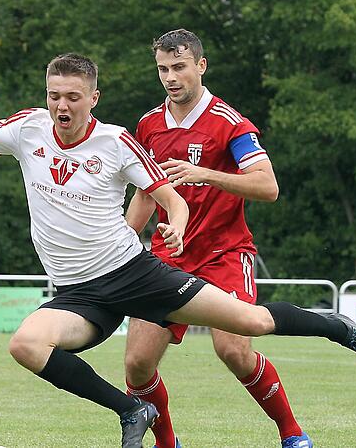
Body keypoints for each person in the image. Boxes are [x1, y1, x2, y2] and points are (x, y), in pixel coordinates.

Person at [0, 53, 356, 448]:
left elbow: (197, 194)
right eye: (54, 96)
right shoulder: (40, 127)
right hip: (82, 289)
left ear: (94, 99)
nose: (61, 106)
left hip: (170, 264)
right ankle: (138, 417)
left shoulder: (158, 134)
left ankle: (332, 335)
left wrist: (182, 216)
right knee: (53, 349)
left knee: (247, 333)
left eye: (72, 96)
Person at [124, 29, 308, 448]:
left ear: (201, 66)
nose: (171, 77)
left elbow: (268, 186)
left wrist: (207, 174)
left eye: (180, 67)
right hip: (169, 258)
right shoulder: (149, 125)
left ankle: (292, 434)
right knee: (137, 364)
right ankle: (167, 443)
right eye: (163, 69)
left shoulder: (229, 123)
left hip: (224, 253)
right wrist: (118, 243)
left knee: (233, 351)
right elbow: (144, 195)